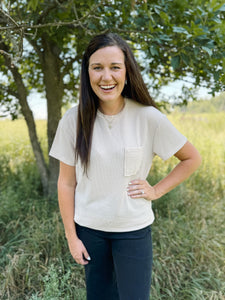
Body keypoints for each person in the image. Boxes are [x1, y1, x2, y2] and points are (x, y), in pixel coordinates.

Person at [49, 33, 201, 300]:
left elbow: (191, 158)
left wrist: (156, 190)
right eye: (97, 68)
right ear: (87, 74)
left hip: (133, 231)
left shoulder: (148, 117)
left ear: (127, 72)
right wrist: (72, 237)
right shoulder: (73, 120)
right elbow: (66, 182)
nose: (106, 77)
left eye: (115, 67)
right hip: (90, 230)